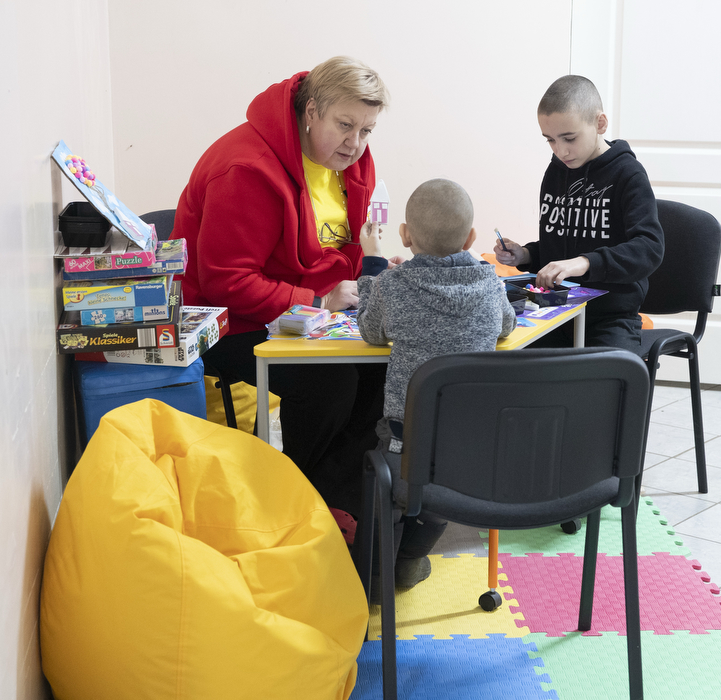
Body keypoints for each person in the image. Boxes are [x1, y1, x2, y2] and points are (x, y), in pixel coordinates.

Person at [171, 56, 393, 515]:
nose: (355, 143)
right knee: (329, 385)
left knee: (389, 369)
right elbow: (226, 281)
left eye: (367, 130)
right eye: (345, 125)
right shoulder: (245, 168)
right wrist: (318, 300)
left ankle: (332, 502)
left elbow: (338, 247)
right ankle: (293, 503)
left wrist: (370, 272)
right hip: (226, 321)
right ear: (311, 111)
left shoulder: (350, 162)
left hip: (312, 312)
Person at [357, 178, 516, 593]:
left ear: (405, 235)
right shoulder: (489, 281)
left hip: (404, 445)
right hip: (470, 449)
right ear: (471, 238)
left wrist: (372, 267)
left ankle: (378, 576)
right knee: (442, 491)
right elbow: (507, 325)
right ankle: (411, 559)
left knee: (386, 482)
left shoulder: (393, 285)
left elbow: (371, 332)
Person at [493, 74, 664, 354]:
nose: (560, 150)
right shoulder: (556, 172)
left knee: (607, 373)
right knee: (503, 361)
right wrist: (526, 255)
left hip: (608, 317)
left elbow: (649, 248)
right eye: (550, 140)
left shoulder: (628, 174)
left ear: (600, 123)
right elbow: (560, 245)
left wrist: (584, 263)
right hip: (554, 310)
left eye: (569, 138)